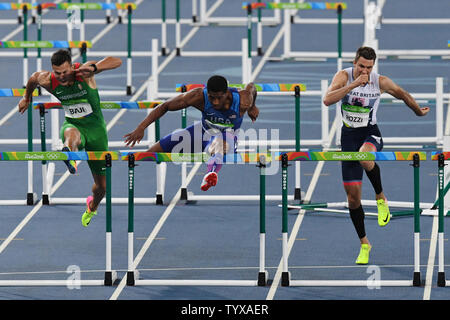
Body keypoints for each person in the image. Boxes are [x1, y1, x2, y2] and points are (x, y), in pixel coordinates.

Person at [323, 46, 429, 265]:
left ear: (373, 67)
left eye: (369, 67)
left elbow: (403, 95)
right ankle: (364, 244)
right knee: (353, 198)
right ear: (355, 63)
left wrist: (418, 111)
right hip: (348, 138)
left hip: (370, 134)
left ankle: (381, 197)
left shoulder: (380, 81)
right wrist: (352, 85)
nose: (365, 71)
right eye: (361, 66)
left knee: (364, 155)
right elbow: (327, 99)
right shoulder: (343, 76)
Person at [18, 49, 122, 227]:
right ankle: (69, 154)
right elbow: (34, 78)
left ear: (71, 67)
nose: (62, 76)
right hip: (73, 125)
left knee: (102, 187)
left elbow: (116, 60)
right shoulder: (48, 80)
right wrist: (26, 97)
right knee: (72, 135)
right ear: (53, 70)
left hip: (97, 131)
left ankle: (92, 206)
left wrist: (96, 67)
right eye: (57, 73)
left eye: (65, 72)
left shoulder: (84, 72)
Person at [123, 75, 259, 191]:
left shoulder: (243, 100)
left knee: (218, 144)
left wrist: (252, 107)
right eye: (212, 98)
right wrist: (141, 127)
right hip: (202, 131)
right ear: (207, 92)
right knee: (152, 152)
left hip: (227, 137)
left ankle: (211, 174)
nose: (215, 102)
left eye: (219, 98)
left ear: (226, 93)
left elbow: (251, 87)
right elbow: (165, 106)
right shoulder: (198, 96)